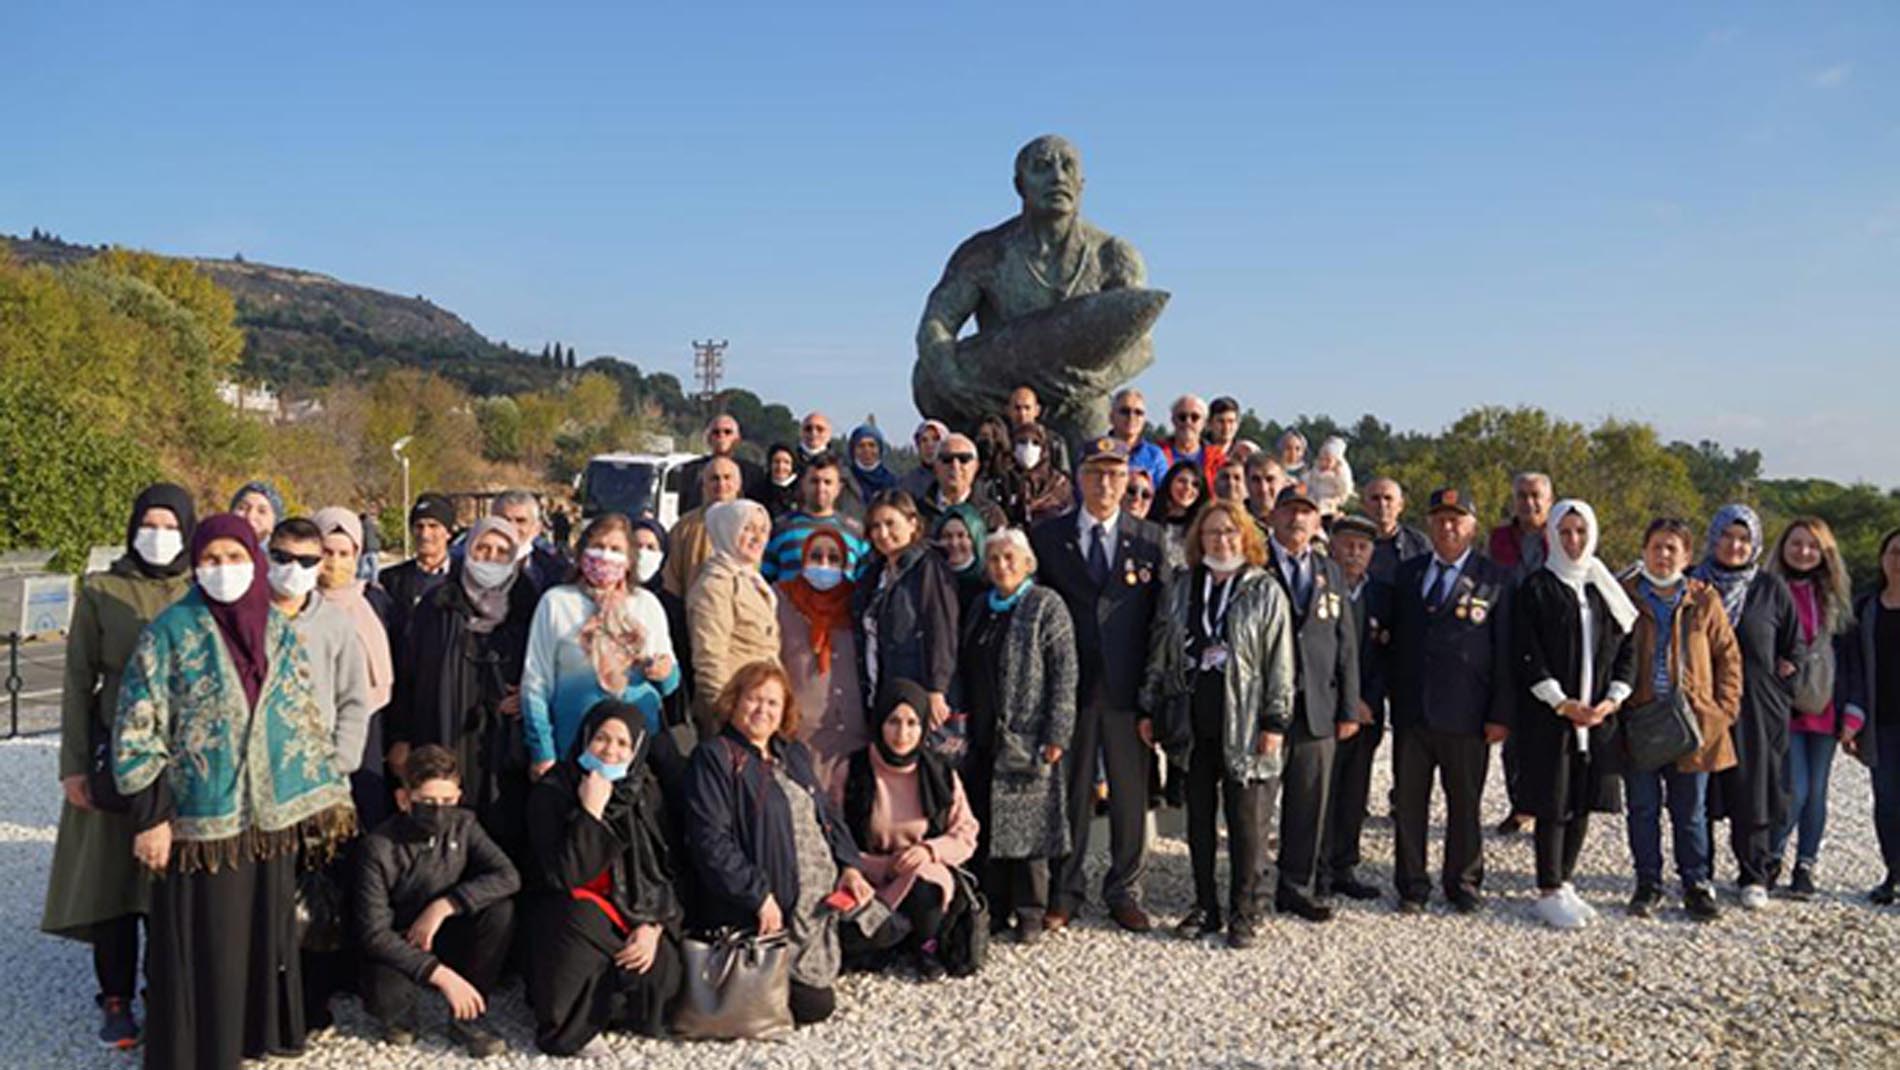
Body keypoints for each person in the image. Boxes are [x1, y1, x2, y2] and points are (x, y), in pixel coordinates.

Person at [113, 513, 357, 1070]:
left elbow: (301, 718)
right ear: (196, 565)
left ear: (255, 561)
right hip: (199, 823)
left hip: (265, 825)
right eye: (212, 560)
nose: (225, 570)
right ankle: (201, 1049)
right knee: (208, 943)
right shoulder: (170, 631)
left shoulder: (275, 630)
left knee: (260, 938)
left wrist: (320, 793)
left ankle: (251, 1035)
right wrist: (152, 817)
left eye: (236, 558)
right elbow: (136, 728)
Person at [43, 483, 195, 1050]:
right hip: (113, 753)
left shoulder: (198, 587)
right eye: (149, 523)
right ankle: (114, 997)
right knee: (111, 882)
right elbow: (78, 681)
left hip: (178, 759)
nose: (159, 535)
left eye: (171, 525)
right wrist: (74, 764)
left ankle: (165, 991)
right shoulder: (102, 589)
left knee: (166, 883)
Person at [1142, 500, 1295, 948]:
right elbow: (1160, 649)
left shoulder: (1265, 590)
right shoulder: (1182, 587)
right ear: (1198, 539)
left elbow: (1280, 662)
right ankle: (1205, 905)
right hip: (1193, 721)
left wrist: (1275, 719)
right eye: (1211, 533)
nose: (1221, 539)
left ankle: (1244, 910)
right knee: (1200, 822)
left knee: (1247, 825)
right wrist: (1147, 706)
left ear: (1245, 535)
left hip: (1246, 722)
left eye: (1229, 531)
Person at [684, 662, 871, 1026]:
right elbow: (711, 841)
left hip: (819, 899)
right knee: (816, 1006)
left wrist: (849, 866)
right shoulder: (716, 757)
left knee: (887, 927)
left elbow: (827, 815)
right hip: (766, 906)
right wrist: (756, 895)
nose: (763, 710)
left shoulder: (793, 754)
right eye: (754, 699)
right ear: (734, 702)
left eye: (773, 703)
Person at [1030, 436, 1166, 933]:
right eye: (1095, 472)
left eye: (1115, 472)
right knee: (1069, 796)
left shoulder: (1150, 540)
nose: (1106, 482)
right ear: (1079, 477)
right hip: (1072, 689)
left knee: (1130, 796)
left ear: (1129, 476)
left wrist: (1153, 695)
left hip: (1129, 691)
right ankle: (1066, 889)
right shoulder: (1046, 538)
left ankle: (1125, 889)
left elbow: (1161, 627)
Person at [525, 701, 685, 1056]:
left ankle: (609, 1008)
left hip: (633, 908)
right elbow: (566, 875)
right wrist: (590, 813)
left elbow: (668, 870)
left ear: (637, 748)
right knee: (574, 920)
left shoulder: (646, 793)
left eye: (622, 743)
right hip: (572, 910)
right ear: (585, 738)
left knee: (660, 976)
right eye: (601, 739)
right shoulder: (554, 790)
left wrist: (654, 926)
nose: (610, 751)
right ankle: (572, 1028)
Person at [1511, 501, 1637, 929]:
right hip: (1552, 715)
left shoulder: (1604, 587)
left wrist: (1612, 700)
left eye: (1580, 531)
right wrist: (1561, 702)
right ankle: (1546, 888)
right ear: (1550, 535)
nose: (1573, 540)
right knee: (1553, 800)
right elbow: (1526, 651)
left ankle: (1565, 880)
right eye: (1563, 532)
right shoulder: (1538, 587)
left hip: (1597, 717)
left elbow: (1627, 648)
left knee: (1582, 797)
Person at [1388, 488, 1515, 914]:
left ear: (1472, 526)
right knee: (1409, 804)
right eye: (1440, 518)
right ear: (1429, 524)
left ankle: (1463, 882)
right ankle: (1412, 885)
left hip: (1468, 712)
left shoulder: (1494, 578)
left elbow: (1504, 653)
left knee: (1464, 804)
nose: (1448, 527)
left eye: (1457, 519)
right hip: (1413, 711)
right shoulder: (1408, 574)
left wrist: (1500, 714)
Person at [356, 745, 519, 1057]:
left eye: (447, 801)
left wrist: (444, 906)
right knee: (387, 1002)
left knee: (500, 911)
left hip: (446, 929)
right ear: (405, 799)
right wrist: (441, 975)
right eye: (428, 802)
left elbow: (508, 876)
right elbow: (373, 934)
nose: (439, 811)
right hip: (399, 940)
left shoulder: (465, 824)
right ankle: (408, 1009)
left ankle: (468, 1017)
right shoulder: (378, 847)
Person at [394, 516, 541, 860]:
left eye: (502, 551)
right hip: (444, 728)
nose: (490, 558)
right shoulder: (437, 603)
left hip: (503, 742)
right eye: (482, 548)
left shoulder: (528, 604)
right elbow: (409, 673)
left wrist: (530, 696)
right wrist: (401, 737)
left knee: (501, 830)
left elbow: (547, 668)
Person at [956, 528, 1075, 943]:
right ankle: (995, 906)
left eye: (1010, 558)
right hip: (985, 733)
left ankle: (1029, 912)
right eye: (994, 559)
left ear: (1028, 564)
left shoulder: (1045, 605)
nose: (1002, 566)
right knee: (988, 824)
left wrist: (1057, 731)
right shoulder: (979, 608)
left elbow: (1064, 672)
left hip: (1028, 734)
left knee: (1028, 829)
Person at [1620, 517, 1743, 921]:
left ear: (1687, 556)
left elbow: (1728, 657)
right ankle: (1647, 882)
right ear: (1644, 550)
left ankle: (1696, 882)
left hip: (1693, 723)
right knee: (1642, 807)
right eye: (1656, 546)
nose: (1663, 554)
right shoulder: (1626, 596)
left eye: (1672, 547)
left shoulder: (1703, 600)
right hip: (1641, 719)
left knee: (1691, 810)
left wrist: (1722, 711)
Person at [836, 681, 981, 981]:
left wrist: (930, 850)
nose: (903, 734)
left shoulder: (940, 773)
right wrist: (860, 867)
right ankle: (889, 940)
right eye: (893, 722)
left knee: (926, 888)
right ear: (879, 723)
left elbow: (966, 832)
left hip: (920, 871)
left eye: (912, 723)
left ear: (925, 726)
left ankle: (924, 947)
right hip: (868, 873)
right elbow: (832, 829)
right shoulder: (853, 770)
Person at [1692, 504, 1798, 909]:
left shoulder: (1771, 589)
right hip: (1701, 707)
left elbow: (1794, 645)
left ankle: (1754, 874)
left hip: (1756, 708)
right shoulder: (1692, 584)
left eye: (1744, 539)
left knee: (1753, 791)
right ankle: (1700, 875)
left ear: (1754, 544)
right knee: (1699, 794)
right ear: (1713, 537)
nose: (1735, 545)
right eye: (1727, 536)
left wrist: (1788, 674)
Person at [1264, 485, 1362, 922]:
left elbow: (1346, 644)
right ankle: (1247, 888)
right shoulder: (1254, 565)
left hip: (1318, 706)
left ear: (1317, 521)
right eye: (1289, 511)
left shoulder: (1330, 570)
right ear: (1273, 516)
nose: (1297, 520)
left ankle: (1295, 887)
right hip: (1266, 708)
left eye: (1305, 512)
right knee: (1256, 805)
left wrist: (1348, 706)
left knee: (1308, 804)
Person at [522, 514, 680, 778]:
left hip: (638, 750)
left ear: (630, 559)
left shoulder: (645, 604)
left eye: (616, 549)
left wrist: (664, 672)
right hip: (575, 744)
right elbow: (536, 684)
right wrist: (543, 752)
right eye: (597, 546)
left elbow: (671, 683)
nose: (605, 556)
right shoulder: (557, 602)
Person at [1765, 516, 1858, 899]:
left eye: (1812, 546)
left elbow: (1851, 660)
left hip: (1826, 703)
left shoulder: (1835, 598)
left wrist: (1854, 713)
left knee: (1817, 790)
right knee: (1794, 787)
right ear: (1783, 547)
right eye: (1796, 543)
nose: (1803, 552)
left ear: (1825, 553)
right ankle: (1771, 856)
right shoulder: (1768, 590)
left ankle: (1806, 865)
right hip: (1783, 703)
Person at [1320, 515, 1392, 900]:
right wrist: (1342, 702)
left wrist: (1367, 701)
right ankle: (1316, 867)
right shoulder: (1316, 586)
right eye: (1347, 544)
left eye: (1362, 547)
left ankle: (1344, 866)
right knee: (1321, 792)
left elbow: (1387, 654)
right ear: (1332, 547)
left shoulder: (1382, 594)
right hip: (1324, 708)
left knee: (1354, 792)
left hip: (1366, 712)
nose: (1354, 553)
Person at [312, 507, 394, 824]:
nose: (335, 562)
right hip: (313, 725)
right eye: (327, 552)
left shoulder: (374, 601)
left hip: (370, 724)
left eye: (345, 553)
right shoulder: (297, 602)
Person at [858, 491, 960, 727]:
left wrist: (938, 688)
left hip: (922, 691)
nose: (882, 534)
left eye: (890, 523)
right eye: (876, 526)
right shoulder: (874, 576)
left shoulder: (928, 566)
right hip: (888, 689)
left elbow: (942, 627)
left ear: (912, 523)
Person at [778, 528, 867, 787]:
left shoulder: (857, 602)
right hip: (801, 733)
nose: (825, 565)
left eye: (833, 558)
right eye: (816, 557)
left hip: (852, 733)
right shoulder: (783, 599)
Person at [687, 499, 783, 736]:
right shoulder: (716, 584)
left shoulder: (752, 580)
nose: (757, 537)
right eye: (747, 528)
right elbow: (710, 658)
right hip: (735, 715)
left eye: (762, 530)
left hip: (760, 710)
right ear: (728, 530)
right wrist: (727, 717)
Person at [1841, 527, 1900, 903]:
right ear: (1882, 558)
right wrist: (1851, 721)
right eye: (1894, 551)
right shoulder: (1865, 609)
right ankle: (1893, 872)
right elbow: (1853, 669)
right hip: (1883, 723)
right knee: (1888, 800)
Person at [763, 454, 871, 583]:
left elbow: (865, 582)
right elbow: (765, 579)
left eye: (828, 482)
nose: (821, 489)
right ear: (803, 484)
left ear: (839, 488)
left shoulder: (856, 532)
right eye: (814, 481)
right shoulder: (780, 528)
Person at [380, 493, 459, 651]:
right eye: (419, 526)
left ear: (448, 533)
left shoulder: (463, 577)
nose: (425, 534)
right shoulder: (391, 579)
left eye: (433, 526)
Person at [659, 455, 744, 598]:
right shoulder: (685, 526)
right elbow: (672, 578)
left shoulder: (752, 523)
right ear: (704, 485)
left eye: (727, 477)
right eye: (714, 478)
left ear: (738, 484)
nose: (721, 484)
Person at [918, 432, 1009, 533]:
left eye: (964, 459)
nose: (955, 465)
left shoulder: (991, 514)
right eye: (947, 459)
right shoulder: (919, 511)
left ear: (976, 467)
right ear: (935, 467)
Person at [677, 413, 767, 513]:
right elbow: (684, 510)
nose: (721, 436)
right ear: (708, 438)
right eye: (716, 432)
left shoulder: (753, 473)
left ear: (737, 439)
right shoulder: (691, 470)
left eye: (727, 432)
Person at [491, 489, 570, 595]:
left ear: (536, 528)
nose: (511, 527)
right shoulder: (468, 563)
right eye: (504, 520)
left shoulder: (554, 568)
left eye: (520, 521)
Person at [998, 421, 1074, 527]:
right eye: (1022, 442)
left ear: (1044, 449)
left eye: (1035, 443)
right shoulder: (1001, 480)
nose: (1028, 447)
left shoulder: (1058, 483)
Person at [1362, 477, 1430, 584]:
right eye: (1375, 498)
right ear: (1364, 505)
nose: (1382, 504)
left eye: (1388, 498)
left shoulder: (1418, 543)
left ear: (1400, 505)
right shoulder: (1353, 543)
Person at [1489, 471, 1553, 575]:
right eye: (1522, 496)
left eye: (1535, 495)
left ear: (1549, 501)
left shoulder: (1561, 537)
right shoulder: (1499, 538)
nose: (1528, 502)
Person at [934, 502, 992, 615]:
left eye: (961, 536)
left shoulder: (989, 584)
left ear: (975, 539)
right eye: (947, 536)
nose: (954, 543)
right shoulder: (931, 582)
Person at [1107, 387, 1169, 490]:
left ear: (1144, 420)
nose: (1131, 416)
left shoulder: (1155, 455)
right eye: (1125, 411)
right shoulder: (1096, 450)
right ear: (1111, 417)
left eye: (1138, 412)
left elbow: (1163, 494)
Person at [1005, 384, 1073, 475]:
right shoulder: (1002, 441)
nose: (1022, 414)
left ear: (1037, 411)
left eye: (1027, 408)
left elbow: (1064, 477)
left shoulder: (1054, 442)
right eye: (1017, 408)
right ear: (1008, 410)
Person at [1156, 458, 1206, 572]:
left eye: (1195, 484)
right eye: (1182, 481)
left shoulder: (1203, 526)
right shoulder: (1151, 518)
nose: (1188, 488)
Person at [1157, 394, 1209, 487]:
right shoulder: (1156, 454)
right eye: (1182, 417)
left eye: (1195, 417)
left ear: (1204, 423)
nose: (1188, 422)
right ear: (1173, 420)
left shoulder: (1217, 459)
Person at [847, 423, 902, 502]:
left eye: (872, 445)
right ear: (853, 450)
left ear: (880, 449)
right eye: (861, 445)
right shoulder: (846, 479)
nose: (867, 450)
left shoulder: (892, 482)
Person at [900, 419, 950, 500]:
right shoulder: (907, 483)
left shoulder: (955, 477)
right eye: (924, 440)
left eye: (935, 439)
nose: (929, 445)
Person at [1308, 436, 1354, 518]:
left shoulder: (1339, 476)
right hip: (1314, 498)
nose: (1324, 463)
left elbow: (1344, 490)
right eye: (1322, 459)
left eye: (1328, 460)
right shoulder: (1315, 472)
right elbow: (1311, 485)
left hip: (1330, 501)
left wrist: (1336, 500)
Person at [1243, 455, 1290, 532]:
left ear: (1284, 482)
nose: (1263, 488)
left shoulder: (1294, 522)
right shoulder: (1234, 521)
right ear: (1246, 482)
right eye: (1256, 480)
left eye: (1270, 479)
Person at [1203, 396, 1241, 478]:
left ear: (1237, 424)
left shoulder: (1243, 453)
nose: (1226, 427)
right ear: (1209, 424)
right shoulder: (1199, 453)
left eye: (1231, 422)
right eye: (1221, 421)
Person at [763, 443, 803, 518]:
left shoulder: (802, 490)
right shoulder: (758, 490)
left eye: (786, 462)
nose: (781, 467)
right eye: (776, 461)